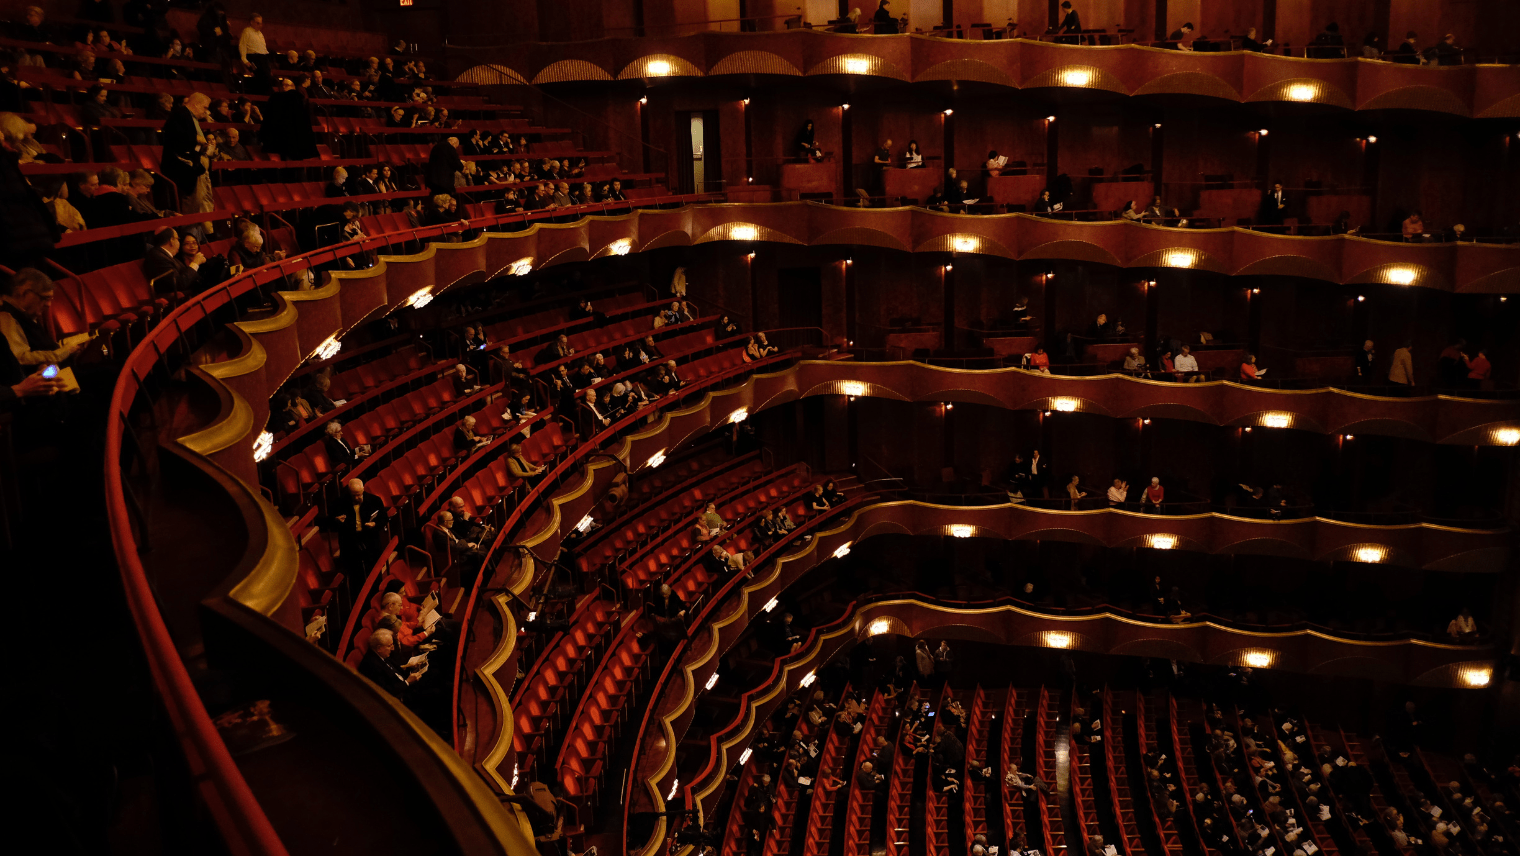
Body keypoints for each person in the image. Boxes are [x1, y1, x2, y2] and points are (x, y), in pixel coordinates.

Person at [160, 92, 210, 208]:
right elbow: (174, 135)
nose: (206, 111)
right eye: (205, 107)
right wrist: (196, 138)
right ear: (196, 104)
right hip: (180, 164)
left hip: (192, 161)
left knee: (201, 199)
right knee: (194, 201)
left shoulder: (190, 117)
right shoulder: (179, 114)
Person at [326, 478, 386, 572]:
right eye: (354, 495)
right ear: (349, 491)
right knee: (354, 573)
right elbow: (329, 523)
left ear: (363, 489)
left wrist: (375, 524)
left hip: (370, 541)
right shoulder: (339, 503)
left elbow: (384, 518)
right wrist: (336, 520)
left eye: (359, 495)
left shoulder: (374, 500)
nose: (357, 498)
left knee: (374, 572)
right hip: (350, 543)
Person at [357, 629, 424, 701]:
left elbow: (393, 670)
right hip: (401, 697)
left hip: (405, 686)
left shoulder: (381, 654)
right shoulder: (371, 665)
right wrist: (407, 682)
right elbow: (385, 691)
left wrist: (409, 667)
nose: (392, 649)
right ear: (379, 648)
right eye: (389, 646)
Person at [144, 227, 203, 297]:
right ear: (172, 240)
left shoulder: (166, 255)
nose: (179, 243)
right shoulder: (158, 257)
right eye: (178, 239)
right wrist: (195, 263)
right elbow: (179, 284)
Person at [238, 13, 270, 93]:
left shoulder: (260, 34)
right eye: (257, 23)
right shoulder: (247, 31)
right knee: (259, 77)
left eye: (261, 23)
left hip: (263, 58)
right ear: (251, 22)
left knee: (267, 77)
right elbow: (242, 45)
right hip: (254, 57)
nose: (260, 25)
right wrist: (244, 59)